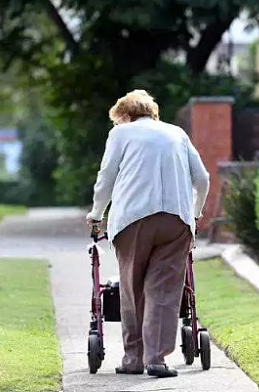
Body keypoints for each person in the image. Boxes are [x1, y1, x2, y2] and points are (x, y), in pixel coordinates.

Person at [86, 89, 210, 378]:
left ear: (126, 116)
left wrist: (96, 214)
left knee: (133, 288)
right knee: (164, 291)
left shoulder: (121, 134)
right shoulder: (177, 133)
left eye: (119, 120)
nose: (118, 125)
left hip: (132, 219)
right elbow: (201, 178)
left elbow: (106, 177)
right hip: (176, 220)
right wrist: (196, 212)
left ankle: (133, 359)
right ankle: (157, 359)